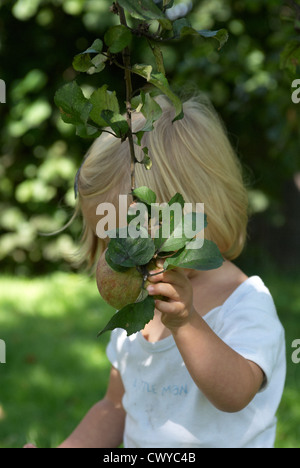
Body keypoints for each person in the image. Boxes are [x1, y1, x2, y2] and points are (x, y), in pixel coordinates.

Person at [25, 95, 286, 449]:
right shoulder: (137, 311)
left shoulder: (244, 303)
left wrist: (187, 322)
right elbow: (115, 406)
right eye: (115, 247)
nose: (126, 259)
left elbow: (236, 394)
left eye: (134, 243)